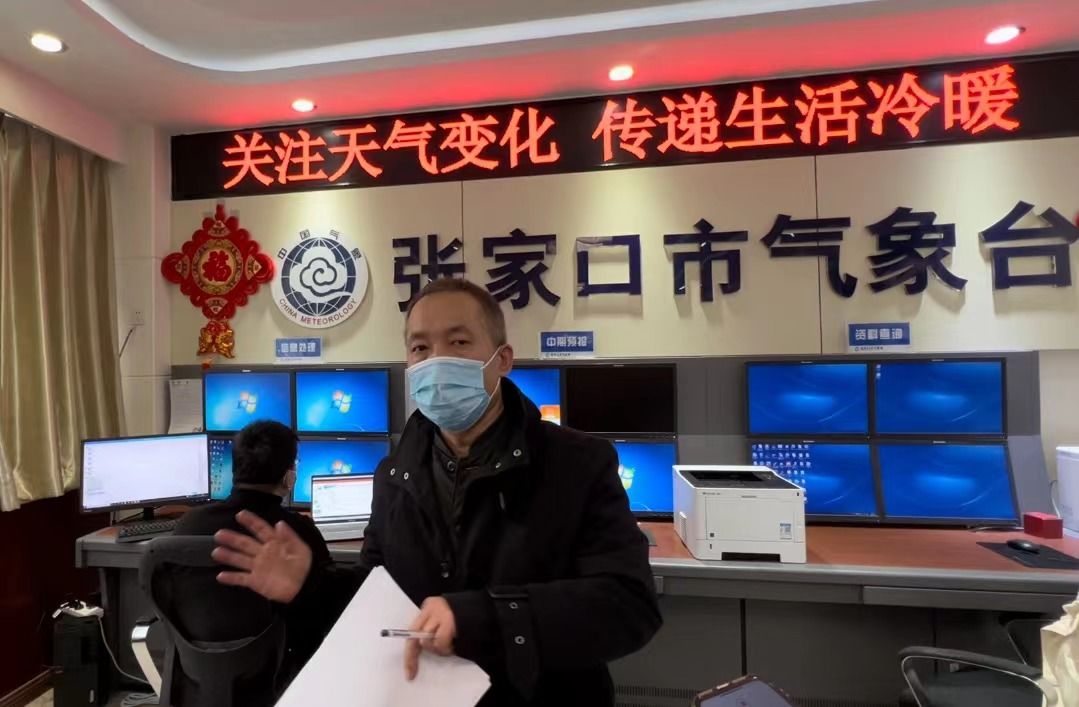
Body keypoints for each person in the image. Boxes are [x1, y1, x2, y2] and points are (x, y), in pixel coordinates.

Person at [212, 278, 662, 706]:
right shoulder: (394, 474)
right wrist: (311, 588)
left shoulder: (577, 463)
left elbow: (629, 606)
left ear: (503, 360)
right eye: (420, 348)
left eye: (459, 342)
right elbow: (379, 601)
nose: (437, 360)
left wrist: (484, 617)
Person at [172, 420, 332, 683]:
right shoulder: (297, 533)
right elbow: (325, 605)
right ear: (289, 477)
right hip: (276, 671)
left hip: (198, 667)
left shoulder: (189, 524)